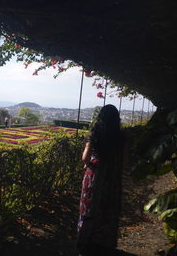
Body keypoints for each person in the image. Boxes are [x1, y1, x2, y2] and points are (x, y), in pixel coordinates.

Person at [76, 104, 125, 255]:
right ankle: (104, 242)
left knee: (89, 207)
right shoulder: (122, 138)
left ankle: (85, 240)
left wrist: (91, 163)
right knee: (108, 208)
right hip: (112, 178)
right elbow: (124, 162)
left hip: (94, 177)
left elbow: (85, 158)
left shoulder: (95, 134)